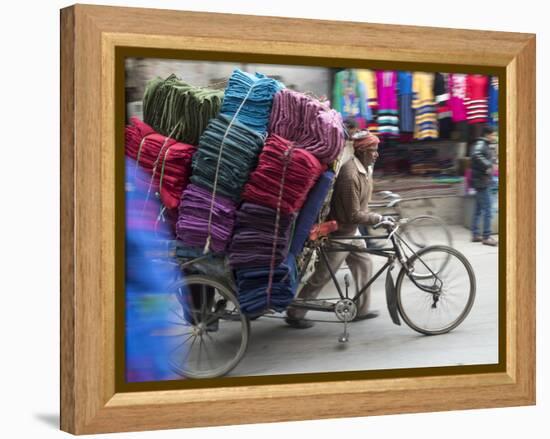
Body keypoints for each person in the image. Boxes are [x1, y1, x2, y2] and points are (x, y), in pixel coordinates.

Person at [285, 130, 393, 329]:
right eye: (373, 150)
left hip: (353, 231)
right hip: (341, 234)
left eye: (377, 150)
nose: (376, 154)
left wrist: (375, 217)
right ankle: (295, 312)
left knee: (364, 263)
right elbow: (352, 214)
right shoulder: (350, 175)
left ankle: (361, 309)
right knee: (322, 276)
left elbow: (360, 209)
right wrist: (378, 219)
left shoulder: (364, 170)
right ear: (361, 152)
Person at [470, 124, 498, 246]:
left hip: (481, 181)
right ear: (487, 135)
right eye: (493, 134)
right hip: (482, 182)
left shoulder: (484, 144)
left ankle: (475, 234)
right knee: (488, 210)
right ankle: (486, 236)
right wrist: (488, 165)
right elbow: (476, 155)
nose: (495, 136)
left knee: (478, 209)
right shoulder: (481, 144)